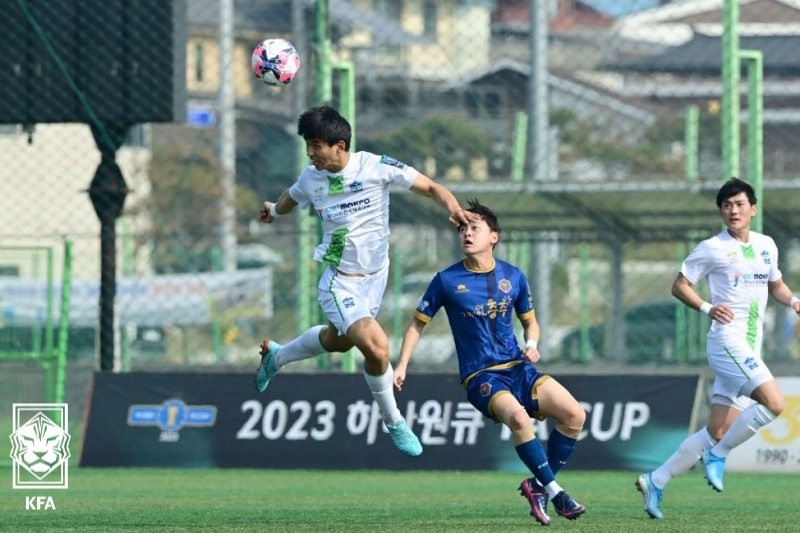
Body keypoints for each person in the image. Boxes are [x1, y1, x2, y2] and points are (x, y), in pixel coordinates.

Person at [254, 105, 478, 458]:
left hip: (375, 277)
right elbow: (290, 197)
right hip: (338, 281)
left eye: (316, 145)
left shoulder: (376, 167)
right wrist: (272, 209)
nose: (310, 153)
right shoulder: (311, 177)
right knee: (376, 348)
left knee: (338, 342)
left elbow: (432, 186)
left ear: (339, 145)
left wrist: (452, 208)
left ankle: (277, 357)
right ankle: (394, 420)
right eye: (307, 146)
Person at [393, 199, 587, 526]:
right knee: (519, 419)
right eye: (462, 228)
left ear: (493, 236)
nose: (467, 234)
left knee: (575, 415)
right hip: (481, 375)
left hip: (519, 367)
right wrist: (401, 365)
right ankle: (556, 493)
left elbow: (531, 322)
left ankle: (536, 485)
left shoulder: (514, 276)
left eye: (474, 227)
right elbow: (416, 324)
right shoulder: (446, 280)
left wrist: (532, 344)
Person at [636, 177, 800, 519]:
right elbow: (679, 286)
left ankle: (656, 479)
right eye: (727, 205)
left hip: (749, 348)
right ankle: (719, 454)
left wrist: (794, 301)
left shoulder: (767, 245)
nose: (733, 210)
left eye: (739, 204)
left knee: (717, 429)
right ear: (721, 212)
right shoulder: (712, 247)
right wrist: (707, 308)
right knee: (774, 403)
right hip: (727, 342)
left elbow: (777, 286)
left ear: (752, 209)